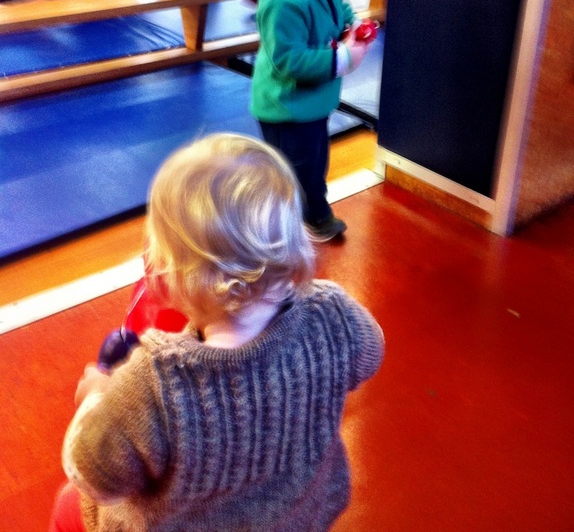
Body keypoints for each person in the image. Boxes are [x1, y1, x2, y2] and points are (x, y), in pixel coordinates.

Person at [48, 132, 384, 532]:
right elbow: (371, 352)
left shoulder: (154, 383)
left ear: (166, 278)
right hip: (299, 517)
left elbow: (91, 474)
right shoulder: (332, 313)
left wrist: (94, 399)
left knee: (68, 504)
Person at [250, 0, 373, 240]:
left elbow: (337, 5)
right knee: (298, 172)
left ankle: (298, 211)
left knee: (313, 164)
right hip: (288, 109)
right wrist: (344, 59)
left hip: (312, 105)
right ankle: (309, 219)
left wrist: (353, 23)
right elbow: (289, 61)